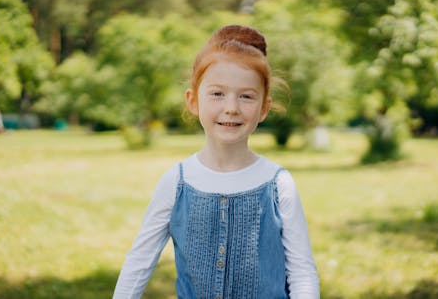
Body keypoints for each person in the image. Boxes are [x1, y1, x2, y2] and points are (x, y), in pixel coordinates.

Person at [112, 25, 320, 299]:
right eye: (217, 94)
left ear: (264, 108)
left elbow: (302, 272)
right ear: (193, 100)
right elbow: (139, 262)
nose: (231, 107)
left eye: (246, 96)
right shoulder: (177, 181)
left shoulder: (278, 184)